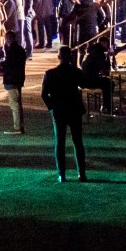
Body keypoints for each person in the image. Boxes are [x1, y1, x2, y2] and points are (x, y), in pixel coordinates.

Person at [40, 47, 89, 181]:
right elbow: (84, 84)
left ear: (58, 57)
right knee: (78, 141)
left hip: (59, 110)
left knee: (60, 142)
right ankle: (81, 174)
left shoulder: (50, 73)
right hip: (74, 109)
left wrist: (51, 108)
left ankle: (62, 174)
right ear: (70, 57)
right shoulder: (76, 72)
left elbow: (44, 94)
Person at [2, 32, 28, 134]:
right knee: (18, 103)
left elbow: (10, 65)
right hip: (18, 79)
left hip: (12, 79)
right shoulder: (20, 49)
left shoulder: (12, 50)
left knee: (14, 104)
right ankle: (20, 125)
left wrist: (3, 64)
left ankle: (17, 127)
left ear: (8, 38)